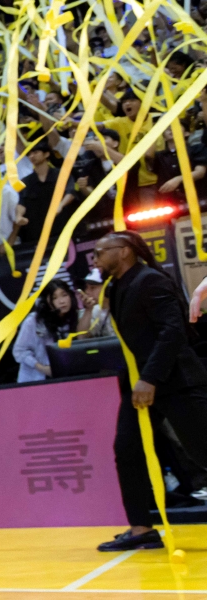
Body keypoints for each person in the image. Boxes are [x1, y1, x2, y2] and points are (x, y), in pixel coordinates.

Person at [89, 233, 207, 552]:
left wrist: (150, 378)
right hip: (140, 382)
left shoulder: (151, 280)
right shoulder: (116, 287)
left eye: (100, 252)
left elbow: (173, 332)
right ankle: (141, 528)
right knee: (127, 449)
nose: (95, 259)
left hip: (173, 379)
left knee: (202, 449)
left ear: (124, 252)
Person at [13, 278, 78, 383]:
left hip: (69, 378)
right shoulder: (33, 321)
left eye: (64, 295)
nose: (62, 301)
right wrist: (42, 368)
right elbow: (19, 351)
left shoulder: (77, 317)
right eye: (54, 298)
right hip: (36, 379)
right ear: (46, 301)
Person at [79, 270, 114, 337]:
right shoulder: (95, 310)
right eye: (86, 287)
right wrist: (88, 310)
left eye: (92, 288)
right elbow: (81, 337)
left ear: (107, 289)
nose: (87, 292)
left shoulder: (122, 305)